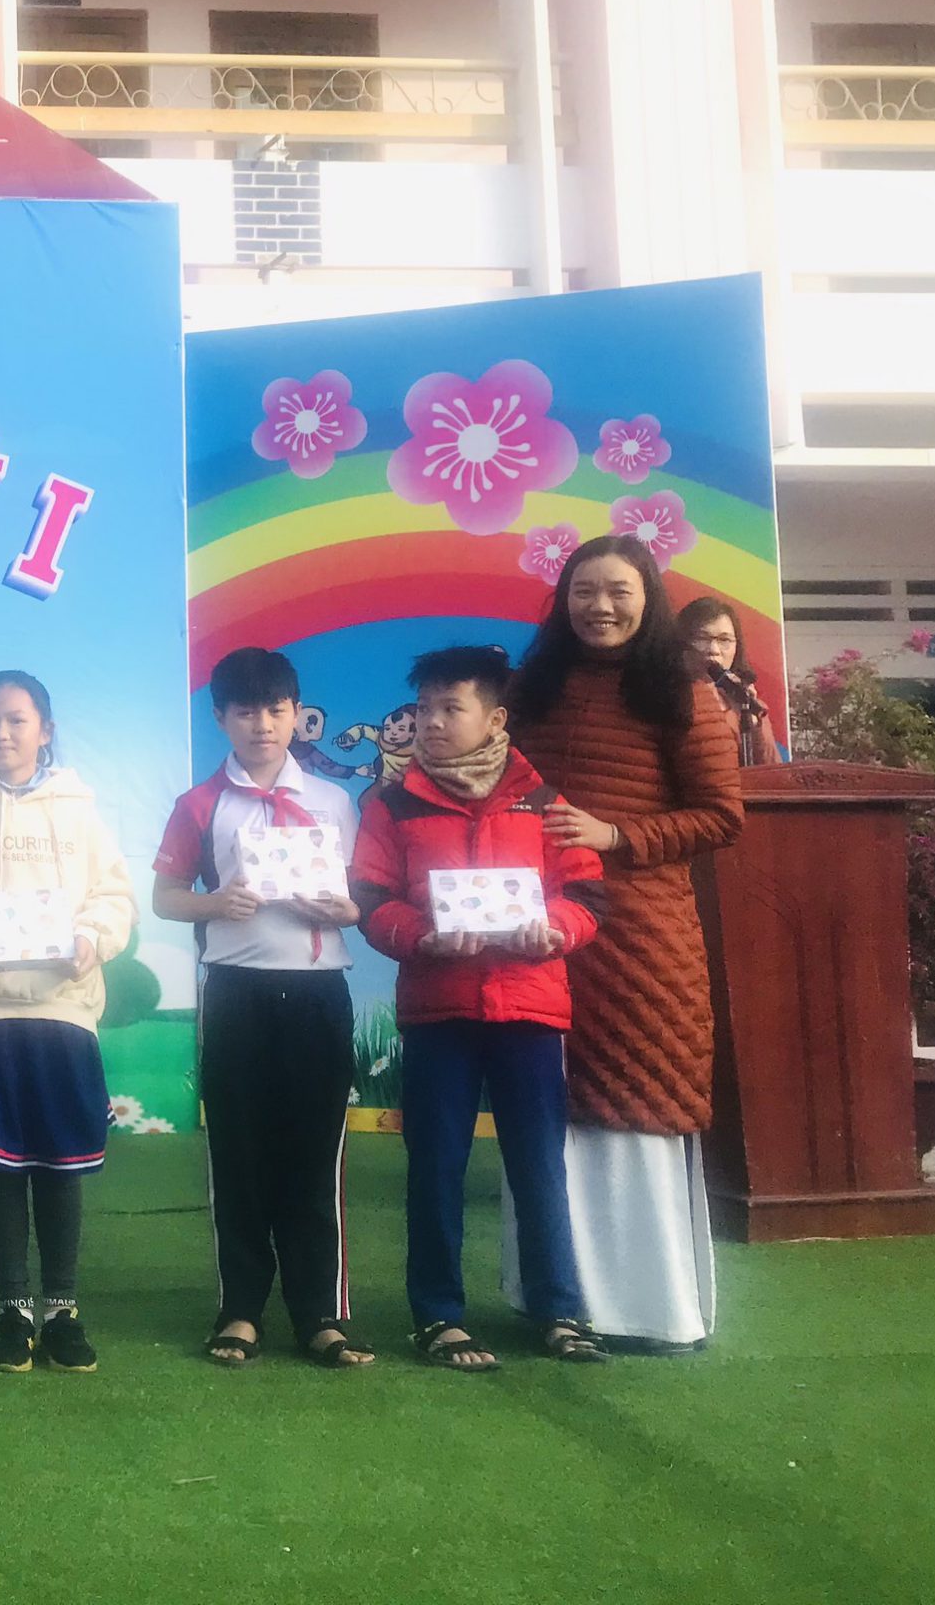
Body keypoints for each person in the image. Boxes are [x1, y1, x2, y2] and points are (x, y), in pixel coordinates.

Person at [509, 535, 743, 1351]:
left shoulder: (682, 689)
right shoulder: (534, 685)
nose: (599, 607)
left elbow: (721, 816)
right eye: (583, 591)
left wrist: (615, 834)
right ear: (562, 599)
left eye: (618, 591)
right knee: (550, 1103)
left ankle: (649, 1309)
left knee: (640, 1099)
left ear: (650, 599)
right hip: (544, 928)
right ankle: (551, 1297)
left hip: (643, 937)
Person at [351, 646, 608, 1370]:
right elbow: (371, 901)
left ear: (495, 719)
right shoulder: (390, 803)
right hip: (439, 1013)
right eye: (422, 709)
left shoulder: (545, 800)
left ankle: (559, 1310)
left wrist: (556, 930)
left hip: (530, 1009)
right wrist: (422, 936)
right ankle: (438, 1316)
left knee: (539, 1166)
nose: (430, 723)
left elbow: (586, 894)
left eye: (449, 708)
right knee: (436, 1167)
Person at [0, 670, 138, 1374]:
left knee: (61, 1165)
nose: (1, 733)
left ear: (46, 728)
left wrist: (90, 940)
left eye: (15, 719)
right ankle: (13, 1308)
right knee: (0, 1165)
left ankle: (62, 1308)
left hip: (64, 1009)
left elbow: (114, 899)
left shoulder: (82, 813)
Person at [151, 647, 368, 1370]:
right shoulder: (200, 804)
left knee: (315, 1157)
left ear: (297, 712)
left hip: (318, 992)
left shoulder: (334, 801)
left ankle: (320, 1314)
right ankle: (240, 1308)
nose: (263, 725)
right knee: (238, 1154)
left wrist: (345, 909)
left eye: (276, 710)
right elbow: (165, 899)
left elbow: (360, 898)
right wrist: (216, 903)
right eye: (246, 712)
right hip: (236, 992)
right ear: (221, 718)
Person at [677, 595, 775, 766]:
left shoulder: (746, 703)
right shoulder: (663, 697)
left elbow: (772, 772)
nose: (713, 650)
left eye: (724, 640)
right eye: (702, 638)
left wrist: (752, 722)